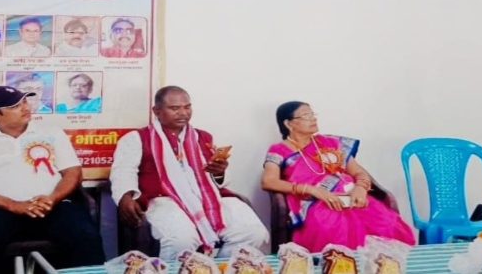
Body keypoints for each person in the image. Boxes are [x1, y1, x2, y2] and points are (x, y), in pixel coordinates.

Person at [0, 86, 105, 272]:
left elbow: (73, 172)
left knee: (86, 235)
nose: (25, 107)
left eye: (25, 101)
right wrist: (13, 205)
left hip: (52, 206)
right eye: (14, 106)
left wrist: (52, 198)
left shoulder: (52, 133)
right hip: (1, 209)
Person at [110, 86, 268, 259]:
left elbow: (219, 179)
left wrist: (219, 172)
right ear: (157, 111)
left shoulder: (203, 137)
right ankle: (182, 269)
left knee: (253, 233)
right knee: (182, 240)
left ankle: (218, 268)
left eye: (187, 107)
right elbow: (124, 171)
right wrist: (125, 197)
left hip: (208, 197)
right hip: (165, 200)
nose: (183, 113)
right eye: (174, 108)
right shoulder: (137, 138)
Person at [261, 101, 415, 252]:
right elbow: (268, 181)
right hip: (314, 201)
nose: (313, 119)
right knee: (332, 229)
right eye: (306, 116)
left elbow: (359, 172)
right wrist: (314, 190)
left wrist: (360, 188)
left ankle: (384, 264)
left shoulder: (330, 143)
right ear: (288, 124)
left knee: (387, 224)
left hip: (351, 195)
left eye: (313, 114)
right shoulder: (279, 149)